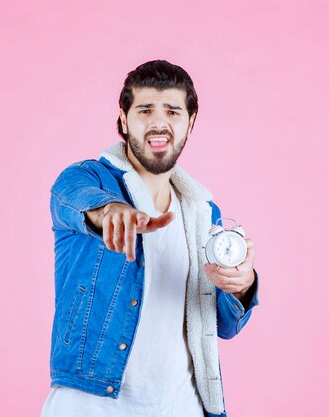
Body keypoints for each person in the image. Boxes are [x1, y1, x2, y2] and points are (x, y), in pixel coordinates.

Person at [41, 59, 260, 417]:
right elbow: (72, 198)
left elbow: (224, 326)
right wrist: (109, 211)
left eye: (173, 111)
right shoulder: (88, 179)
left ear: (190, 123)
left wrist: (241, 284)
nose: (159, 121)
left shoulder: (205, 214)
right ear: (124, 120)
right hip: (91, 405)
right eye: (145, 110)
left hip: (183, 407)